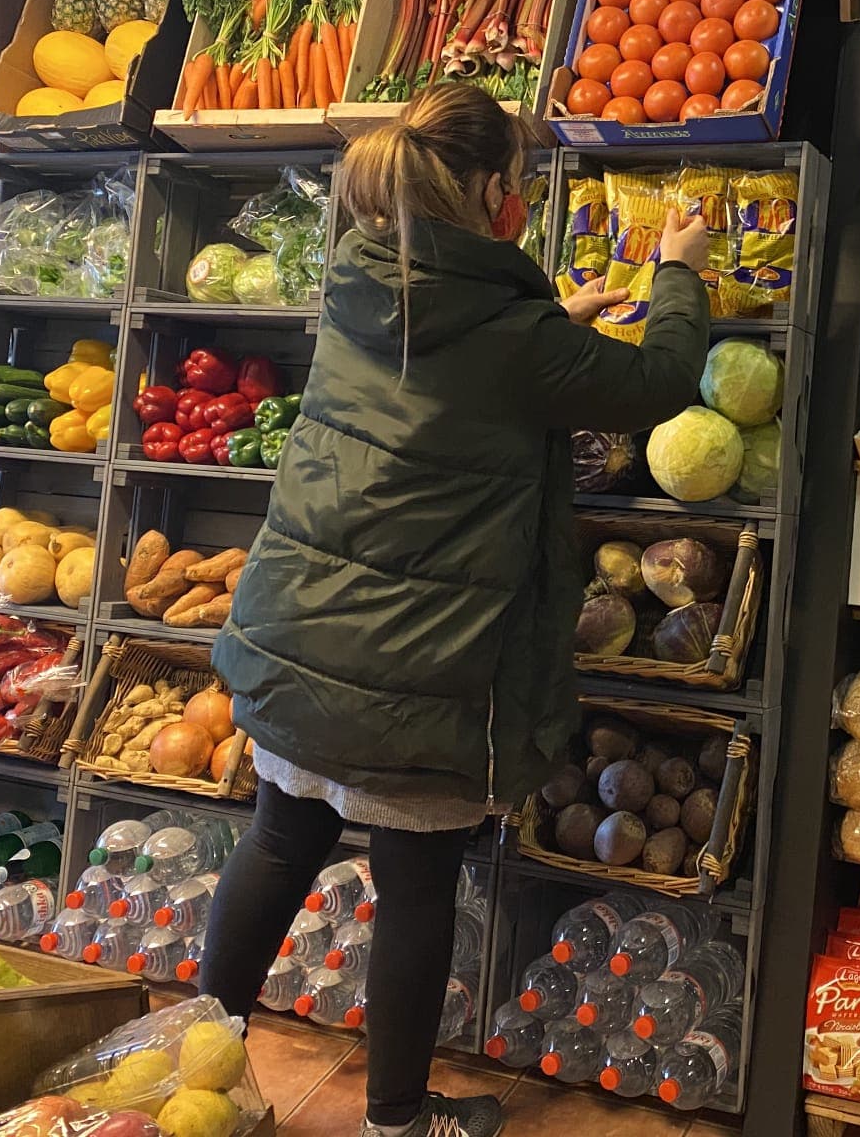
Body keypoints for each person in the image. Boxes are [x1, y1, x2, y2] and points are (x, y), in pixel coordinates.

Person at [206, 80, 711, 1137]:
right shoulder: (513, 338)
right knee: (418, 880)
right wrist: (679, 268)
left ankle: (192, 1061)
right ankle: (398, 1122)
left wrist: (548, 324)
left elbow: (458, 369)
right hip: (421, 670)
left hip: (303, 634)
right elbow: (661, 378)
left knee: (280, 838)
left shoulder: (361, 279)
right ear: (490, 194)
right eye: (519, 183)